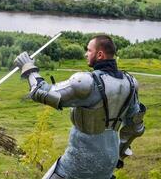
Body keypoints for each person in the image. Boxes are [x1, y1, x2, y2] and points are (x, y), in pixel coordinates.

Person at [14, 35, 146, 179]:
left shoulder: (86, 82)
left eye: (89, 50)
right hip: (109, 161)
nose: (85, 54)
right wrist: (120, 155)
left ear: (100, 54)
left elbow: (40, 92)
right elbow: (135, 127)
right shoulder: (130, 82)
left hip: (79, 162)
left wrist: (28, 67)